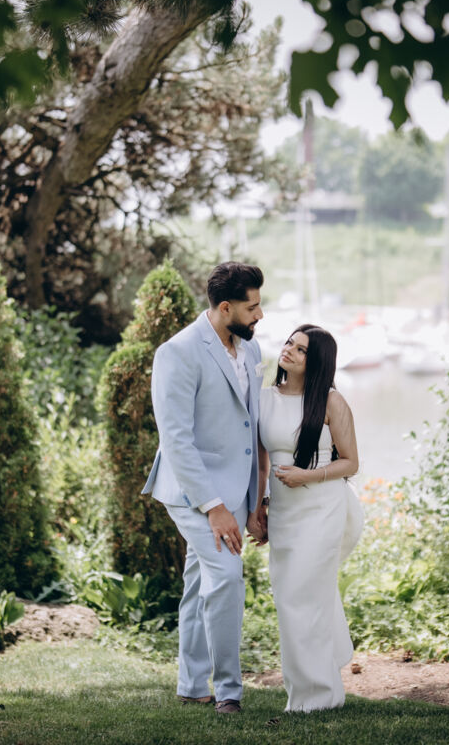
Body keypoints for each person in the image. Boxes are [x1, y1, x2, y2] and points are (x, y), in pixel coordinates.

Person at [143, 261, 265, 715]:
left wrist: (257, 499)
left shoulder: (251, 349)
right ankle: (229, 691)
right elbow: (176, 439)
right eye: (252, 307)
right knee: (227, 578)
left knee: (199, 585)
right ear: (225, 307)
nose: (260, 315)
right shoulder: (177, 352)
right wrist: (214, 507)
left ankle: (192, 684)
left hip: (236, 491)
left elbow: (252, 427)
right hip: (193, 493)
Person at [253, 324, 363, 713]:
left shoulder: (332, 401)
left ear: (316, 361)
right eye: (289, 343)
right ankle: (304, 687)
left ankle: (320, 696)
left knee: (307, 595)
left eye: (301, 349)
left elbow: (351, 462)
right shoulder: (264, 399)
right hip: (284, 511)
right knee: (290, 600)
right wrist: (258, 508)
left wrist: (308, 475)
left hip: (322, 508)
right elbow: (262, 465)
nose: (289, 350)